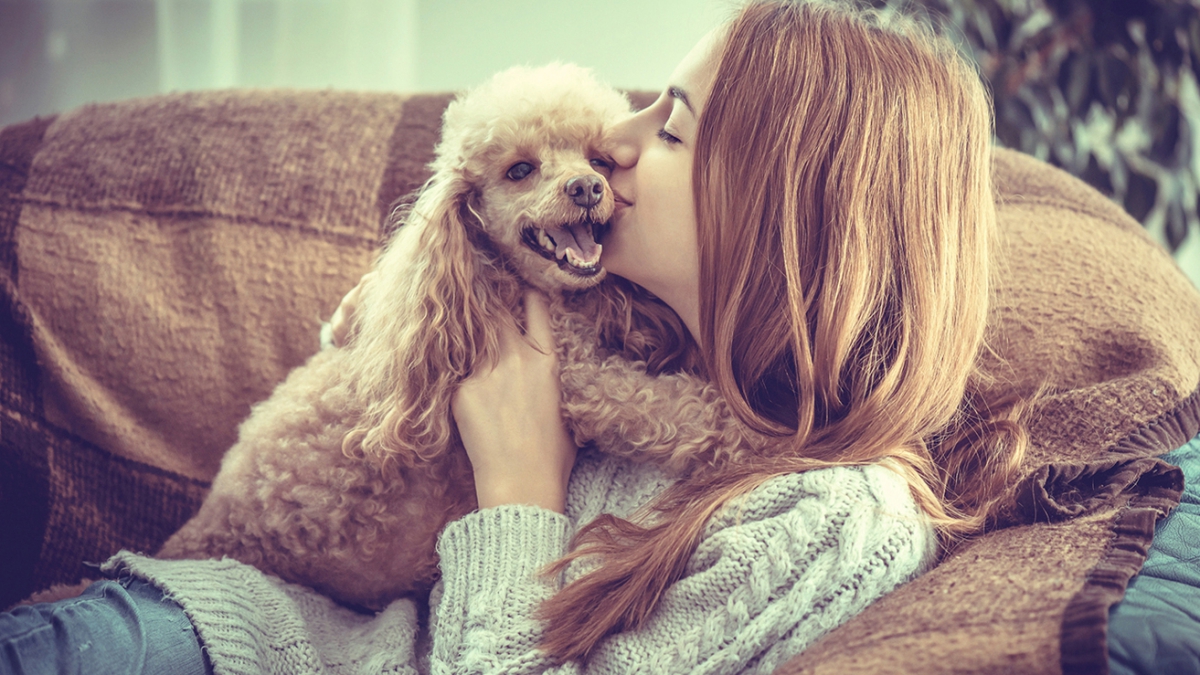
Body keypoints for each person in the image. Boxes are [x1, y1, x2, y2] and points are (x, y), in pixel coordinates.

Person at [0, 1, 1036, 673]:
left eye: (669, 126)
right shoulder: (638, 328)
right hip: (206, 630)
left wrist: (521, 491)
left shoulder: (825, 522)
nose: (616, 143)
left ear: (791, 220)